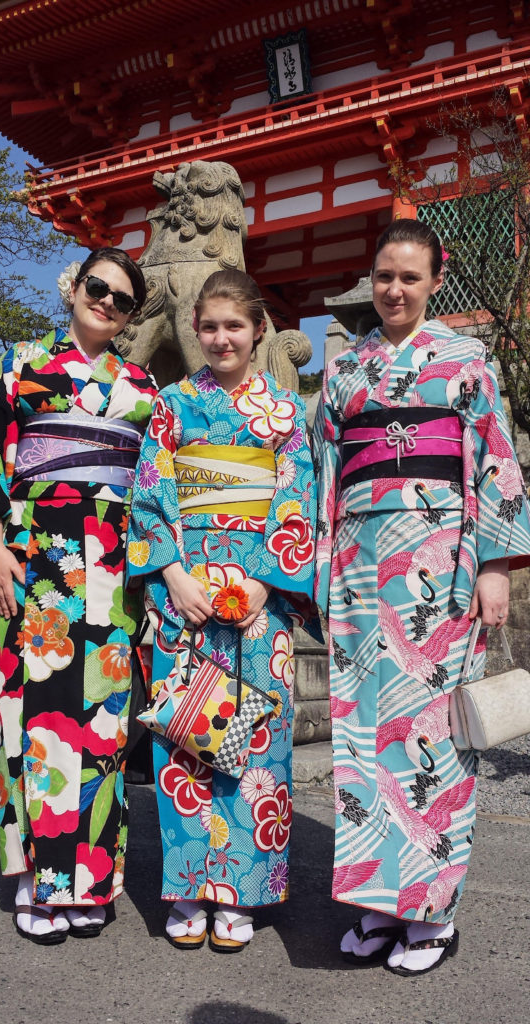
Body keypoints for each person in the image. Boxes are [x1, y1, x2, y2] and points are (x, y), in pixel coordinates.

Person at [313, 218, 530, 976]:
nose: (395, 289)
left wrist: (497, 564)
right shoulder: (346, 372)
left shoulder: (466, 360)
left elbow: (496, 457)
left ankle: (431, 913)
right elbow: (320, 475)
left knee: (432, 737)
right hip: (358, 571)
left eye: (410, 276)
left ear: (437, 279)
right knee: (361, 741)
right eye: (383, 277)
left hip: (440, 572)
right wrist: (319, 569)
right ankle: (378, 905)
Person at [0, 247, 157, 944]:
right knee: (31, 721)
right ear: (74, 288)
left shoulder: (142, 387)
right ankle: (40, 881)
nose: (106, 302)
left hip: (113, 570)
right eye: (98, 287)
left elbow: (156, 483)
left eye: (122, 299)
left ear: (131, 316)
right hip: (34, 559)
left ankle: (89, 881)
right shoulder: (19, 364)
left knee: (103, 727)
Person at [127, 268, 317, 952]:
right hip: (188, 593)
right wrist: (172, 575)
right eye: (208, 326)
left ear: (258, 329)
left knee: (254, 742)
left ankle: (239, 890)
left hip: (258, 599)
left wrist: (268, 582)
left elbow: (299, 496)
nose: (220, 338)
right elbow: (150, 495)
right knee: (185, 734)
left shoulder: (286, 411)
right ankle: (188, 888)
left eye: (234, 325)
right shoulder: (173, 404)